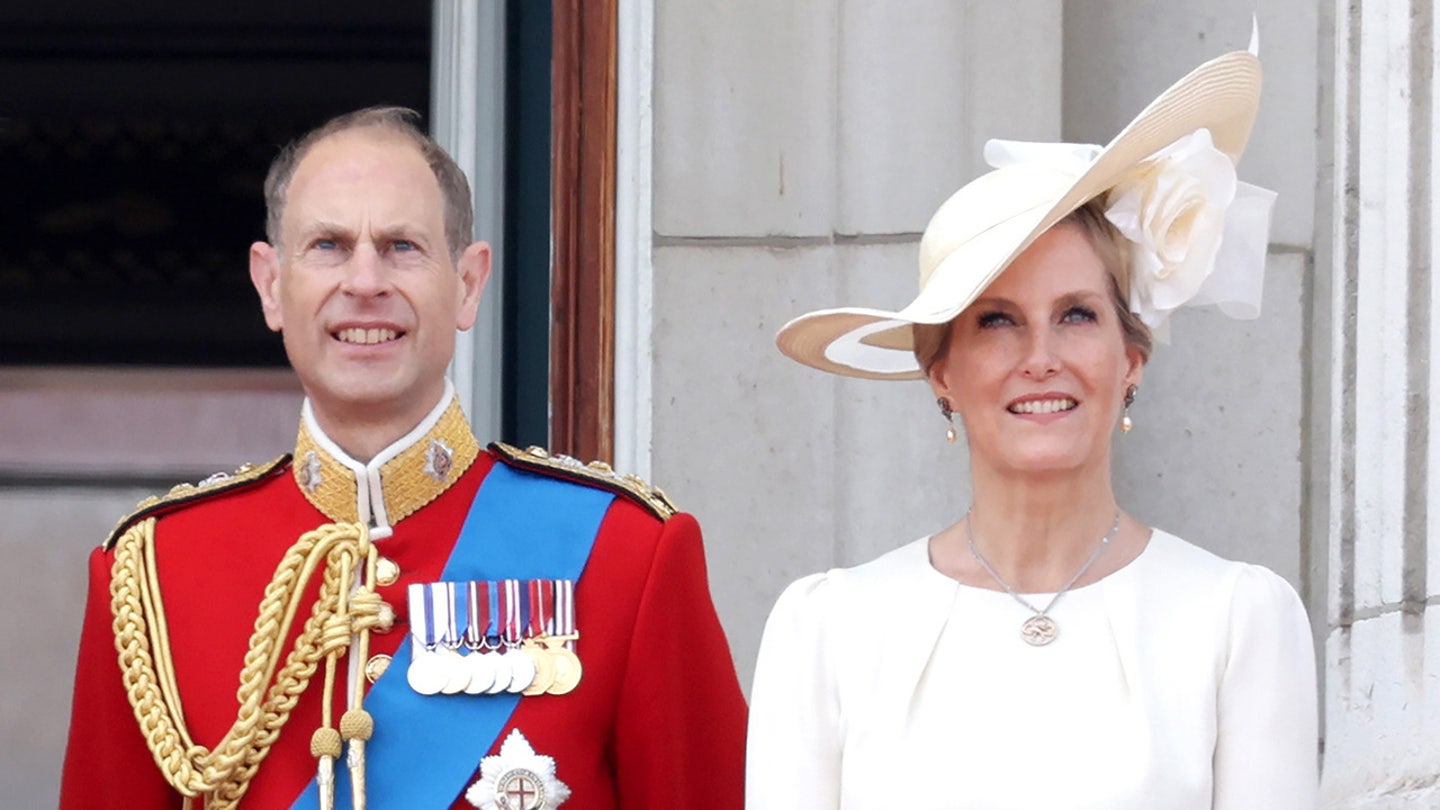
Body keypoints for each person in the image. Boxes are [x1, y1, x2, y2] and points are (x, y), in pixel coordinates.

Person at [60, 107, 747, 810]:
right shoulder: (155, 572)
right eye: (327, 244)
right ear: (270, 285)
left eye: (401, 247)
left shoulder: (626, 554)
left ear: (469, 283)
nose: (364, 281)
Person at [747, 48, 1317, 809]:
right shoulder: (827, 629)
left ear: (1132, 358)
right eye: (997, 322)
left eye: (1077, 315)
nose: (1041, 359)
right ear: (942, 371)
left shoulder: (1238, 620)